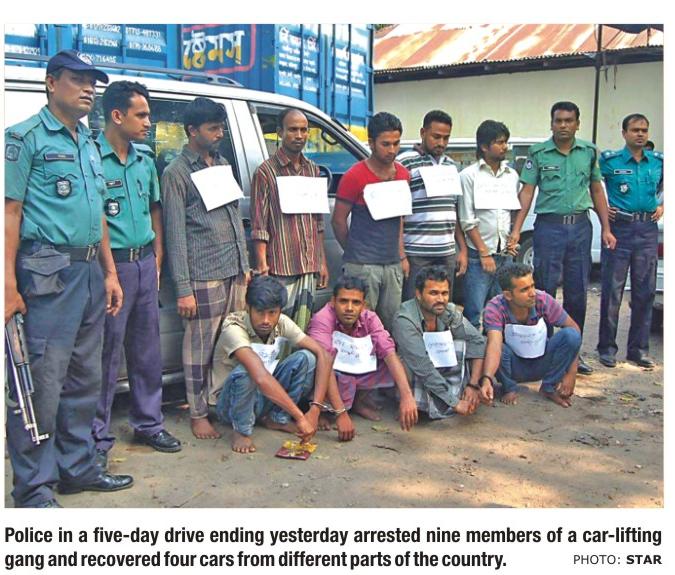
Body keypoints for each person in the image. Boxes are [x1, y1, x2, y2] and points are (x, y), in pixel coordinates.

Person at [4, 50, 132, 507]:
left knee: (84, 378)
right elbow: (9, 212)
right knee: (41, 382)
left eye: (92, 81)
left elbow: (97, 214)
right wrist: (7, 285)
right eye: (77, 79)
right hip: (48, 272)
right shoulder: (24, 139)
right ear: (50, 82)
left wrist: (110, 272)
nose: (88, 88)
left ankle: (77, 468)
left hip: (90, 271)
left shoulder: (89, 143)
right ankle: (33, 488)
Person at [91, 81, 181, 466]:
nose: (148, 122)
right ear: (117, 115)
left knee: (147, 351)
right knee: (105, 355)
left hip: (144, 263)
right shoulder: (92, 158)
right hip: (112, 268)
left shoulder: (144, 160)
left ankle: (148, 423)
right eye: (141, 115)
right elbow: (96, 219)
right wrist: (110, 271)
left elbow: (155, 208)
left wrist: (157, 256)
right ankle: (95, 439)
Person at [162, 97, 250, 440]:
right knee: (199, 348)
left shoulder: (221, 163)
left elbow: (232, 217)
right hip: (203, 274)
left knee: (230, 344)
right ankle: (197, 413)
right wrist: (183, 289)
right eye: (213, 128)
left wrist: (244, 265)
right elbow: (175, 235)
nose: (219, 134)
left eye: (221, 128)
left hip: (233, 270)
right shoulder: (177, 173)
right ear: (192, 131)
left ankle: (221, 404)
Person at [507, 101, 616, 375]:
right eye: (558, 120)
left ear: (577, 124)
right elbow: (527, 192)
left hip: (580, 228)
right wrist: (516, 229)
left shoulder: (588, 152)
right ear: (551, 123)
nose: (563, 125)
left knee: (577, 292)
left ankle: (573, 354)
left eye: (569, 120)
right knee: (543, 290)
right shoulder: (539, 153)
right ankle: (542, 350)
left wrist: (606, 228)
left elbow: (596, 190)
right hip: (549, 228)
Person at [213, 276, 332, 453]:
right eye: (260, 312)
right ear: (248, 308)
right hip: (229, 405)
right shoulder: (233, 328)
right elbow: (260, 376)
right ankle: (241, 430)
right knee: (247, 371)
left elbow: (323, 355)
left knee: (307, 358)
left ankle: (278, 418)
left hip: (262, 397)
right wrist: (300, 417)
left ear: (279, 311)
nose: (266, 320)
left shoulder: (281, 322)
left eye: (272, 313)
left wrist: (315, 410)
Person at [307, 275, 418, 435]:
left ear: (364, 305)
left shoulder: (370, 318)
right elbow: (324, 361)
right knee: (315, 363)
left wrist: (407, 396)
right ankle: (323, 411)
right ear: (333, 301)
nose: (349, 308)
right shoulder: (322, 318)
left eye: (356, 302)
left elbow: (388, 352)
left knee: (395, 362)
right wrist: (341, 414)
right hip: (329, 371)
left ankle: (357, 401)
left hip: (354, 367)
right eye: (343, 301)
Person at [250, 108, 329, 331]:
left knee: (301, 329)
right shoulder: (266, 172)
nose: (299, 135)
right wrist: (262, 265)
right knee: (277, 328)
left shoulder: (312, 170)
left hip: (308, 265)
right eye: (293, 130)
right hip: (280, 267)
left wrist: (321, 262)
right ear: (280, 132)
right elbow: (259, 224)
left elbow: (317, 221)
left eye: (304, 130)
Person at [332, 112, 410, 332]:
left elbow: (400, 218)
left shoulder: (403, 175)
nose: (392, 150)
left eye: (396, 143)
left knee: (390, 326)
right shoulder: (354, 176)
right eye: (386, 144)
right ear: (371, 142)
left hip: (392, 264)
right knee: (358, 325)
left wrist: (401, 255)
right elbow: (338, 221)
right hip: (363, 266)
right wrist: (354, 253)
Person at [597, 114, 663, 368]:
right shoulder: (610, 161)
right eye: (635, 130)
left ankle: (638, 350)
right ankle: (607, 348)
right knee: (612, 291)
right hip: (619, 229)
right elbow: (591, 185)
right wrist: (602, 208)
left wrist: (664, 205)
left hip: (647, 230)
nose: (640, 134)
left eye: (644, 130)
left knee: (644, 292)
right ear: (624, 133)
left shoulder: (658, 162)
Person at [392, 266, 489, 418]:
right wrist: (454, 403)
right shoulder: (405, 319)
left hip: (439, 367)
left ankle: (456, 394)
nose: (440, 299)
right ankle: (418, 402)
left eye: (444, 293)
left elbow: (477, 341)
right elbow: (421, 365)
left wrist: (473, 384)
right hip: (417, 371)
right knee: (404, 361)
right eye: (433, 293)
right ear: (418, 294)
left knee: (467, 344)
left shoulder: (448, 310)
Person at [480, 263, 582, 408]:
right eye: (524, 290)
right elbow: (495, 346)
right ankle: (509, 387)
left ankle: (549, 387)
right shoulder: (495, 307)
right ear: (508, 295)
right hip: (513, 366)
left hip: (542, 361)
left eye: (532, 286)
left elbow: (574, 328)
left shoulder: (543, 300)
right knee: (487, 343)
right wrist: (487, 379)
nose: (532, 293)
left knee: (571, 335)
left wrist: (571, 374)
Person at [396, 110, 467, 301]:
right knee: (414, 305)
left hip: (446, 253)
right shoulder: (404, 162)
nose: (441, 143)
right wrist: (401, 255)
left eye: (446, 138)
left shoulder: (451, 166)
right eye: (436, 137)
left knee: (442, 305)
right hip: (416, 252)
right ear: (423, 133)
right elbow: (397, 213)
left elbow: (453, 210)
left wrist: (462, 250)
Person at [458, 120, 520, 328]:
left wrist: (513, 238)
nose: (505, 147)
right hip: (479, 255)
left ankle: (497, 347)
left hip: (504, 255)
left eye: (506, 142)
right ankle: (473, 348)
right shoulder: (468, 176)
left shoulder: (512, 176)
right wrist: (484, 253)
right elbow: (467, 219)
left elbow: (511, 211)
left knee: (503, 310)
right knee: (474, 311)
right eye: (499, 142)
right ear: (484, 146)